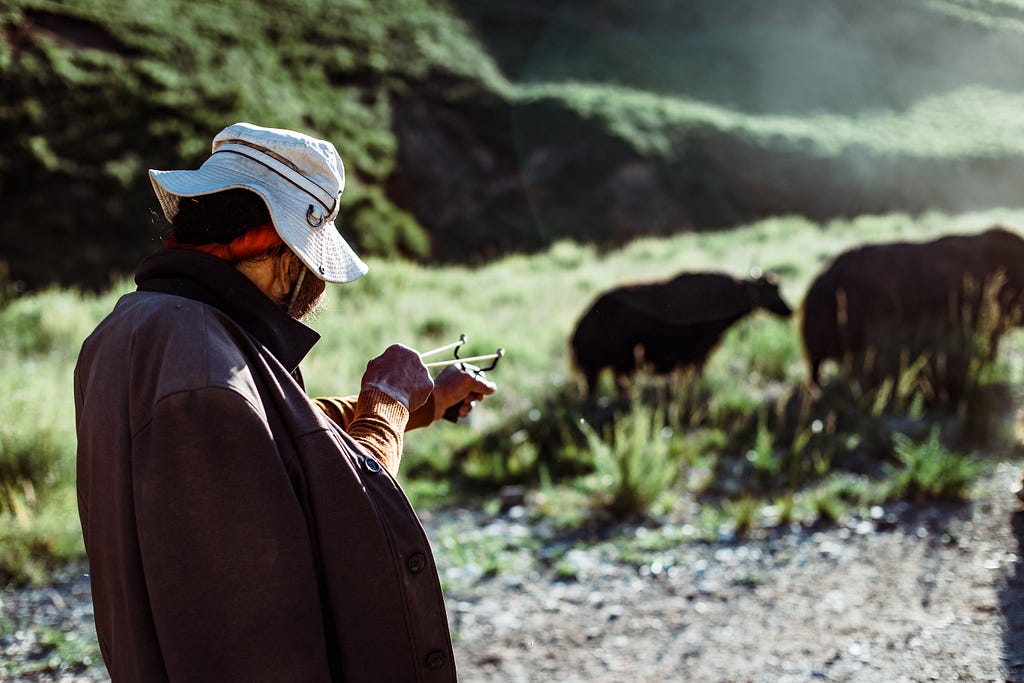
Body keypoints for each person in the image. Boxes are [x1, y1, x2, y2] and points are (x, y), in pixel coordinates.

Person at [74, 122, 496, 681]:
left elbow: (275, 443)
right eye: (316, 262)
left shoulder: (138, 330)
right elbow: (345, 520)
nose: (319, 285)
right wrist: (387, 405)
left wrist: (424, 403)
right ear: (281, 251)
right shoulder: (202, 374)